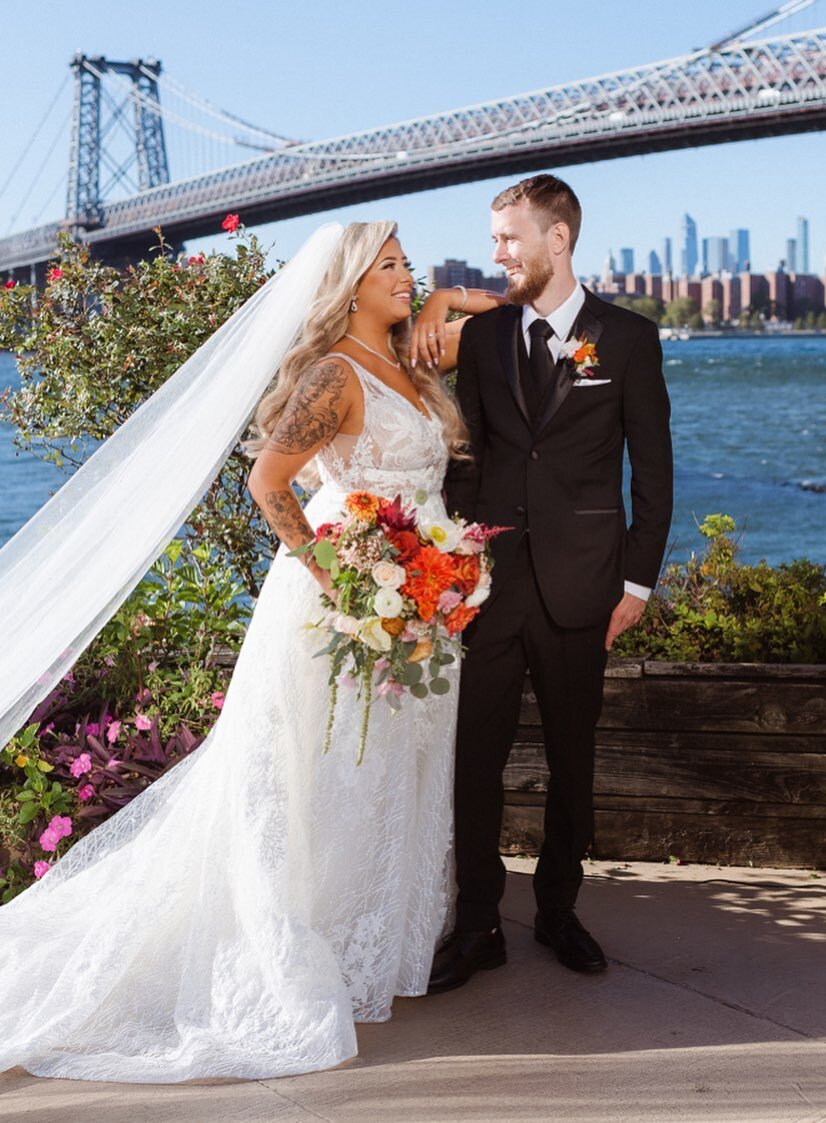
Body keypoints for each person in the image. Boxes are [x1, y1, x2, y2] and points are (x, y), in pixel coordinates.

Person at [0, 221, 499, 1082]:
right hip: (343, 607)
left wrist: (451, 298)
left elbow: (517, 314)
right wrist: (339, 580)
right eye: (390, 267)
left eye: (409, 265)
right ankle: (308, 941)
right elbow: (268, 483)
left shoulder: (410, 363)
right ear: (348, 285)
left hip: (418, 604)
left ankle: (373, 941)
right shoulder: (331, 373)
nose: (407, 278)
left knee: (392, 770)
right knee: (330, 770)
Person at [423, 175, 674, 992]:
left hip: (584, 588)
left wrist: (635, 583)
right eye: (494, 240)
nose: (498, 254)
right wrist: (459, 564)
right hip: (492, 588)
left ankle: (561, 910)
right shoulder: (488, 338)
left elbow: (654, 473)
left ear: (557, 239)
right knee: (475, 758)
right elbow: (473, 458)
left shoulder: (628, 337)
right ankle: (479, 922)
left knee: (573, 755)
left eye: (509, 239)